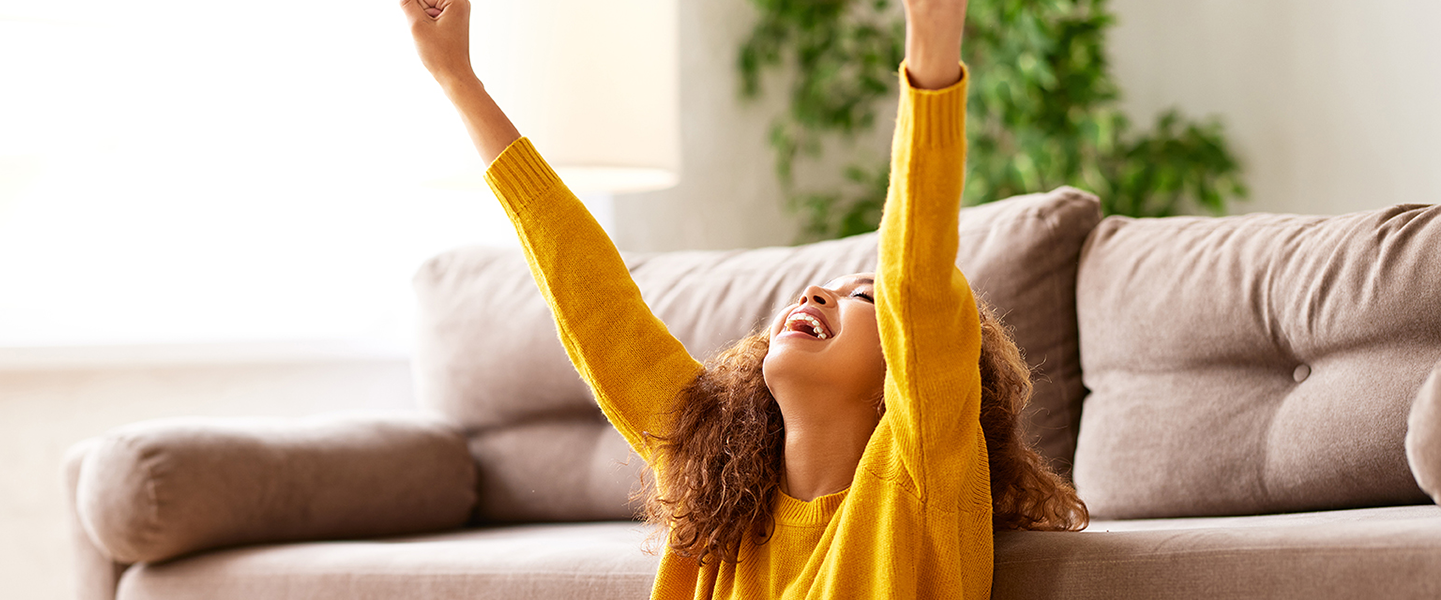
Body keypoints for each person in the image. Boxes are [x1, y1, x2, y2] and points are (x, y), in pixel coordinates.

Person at [401, 0, 1087, 597]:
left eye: (864, 300)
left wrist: (932, 44)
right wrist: (457, 80)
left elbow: (918, 279)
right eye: (833, 287)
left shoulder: (922, 480)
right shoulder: (712, 467)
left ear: (901, 376)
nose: (821, 292)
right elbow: (594, 301)